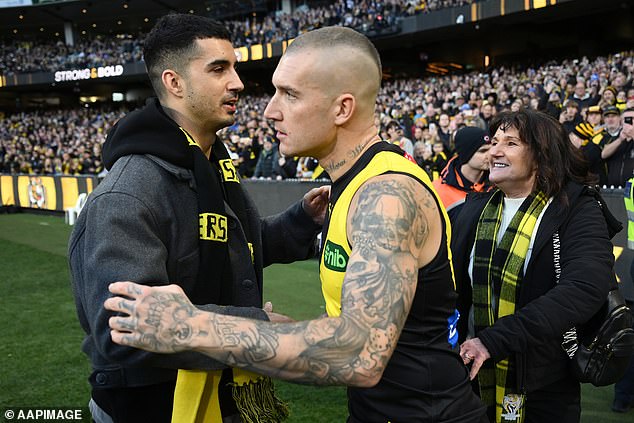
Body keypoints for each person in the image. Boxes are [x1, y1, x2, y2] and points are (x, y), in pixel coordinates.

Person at [104, 26, 487, 423]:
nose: (270, 110)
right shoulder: (351, 184)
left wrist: (190, 325)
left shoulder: (386, 196)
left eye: (290, 94)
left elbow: (359, 355)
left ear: (342, 109)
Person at [68, 14, 328, 423]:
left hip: (220, 397)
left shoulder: (210, 164)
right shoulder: (128, 193)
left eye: (235, 67)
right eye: (218, 68)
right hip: (153, 409)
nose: (238, 82)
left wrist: (301, 220)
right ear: (174, 83)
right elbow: (124, 330)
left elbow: (236, 245)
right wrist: (256, 327)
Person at [452, 109, 620, 422]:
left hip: (545, 384)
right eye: (495, 141)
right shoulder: (473, 208)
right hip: (471, 377)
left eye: (511, 143)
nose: (495, 151)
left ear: (542, 156)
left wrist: (494, 340)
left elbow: (585, 288)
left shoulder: (577, 209)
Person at [433, 126, 492, 222]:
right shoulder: (438, 190)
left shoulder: (498, 184)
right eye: (483, 151)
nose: (491, 155)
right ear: (466, 154)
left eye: (491, 149)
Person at [601, 107, 634, 187]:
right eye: (626, 119)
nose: (629, 121)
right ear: (621, 121)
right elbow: (604, 154)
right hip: (614, 189)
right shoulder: (615, 138)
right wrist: (620, 139)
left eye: (632, 118)